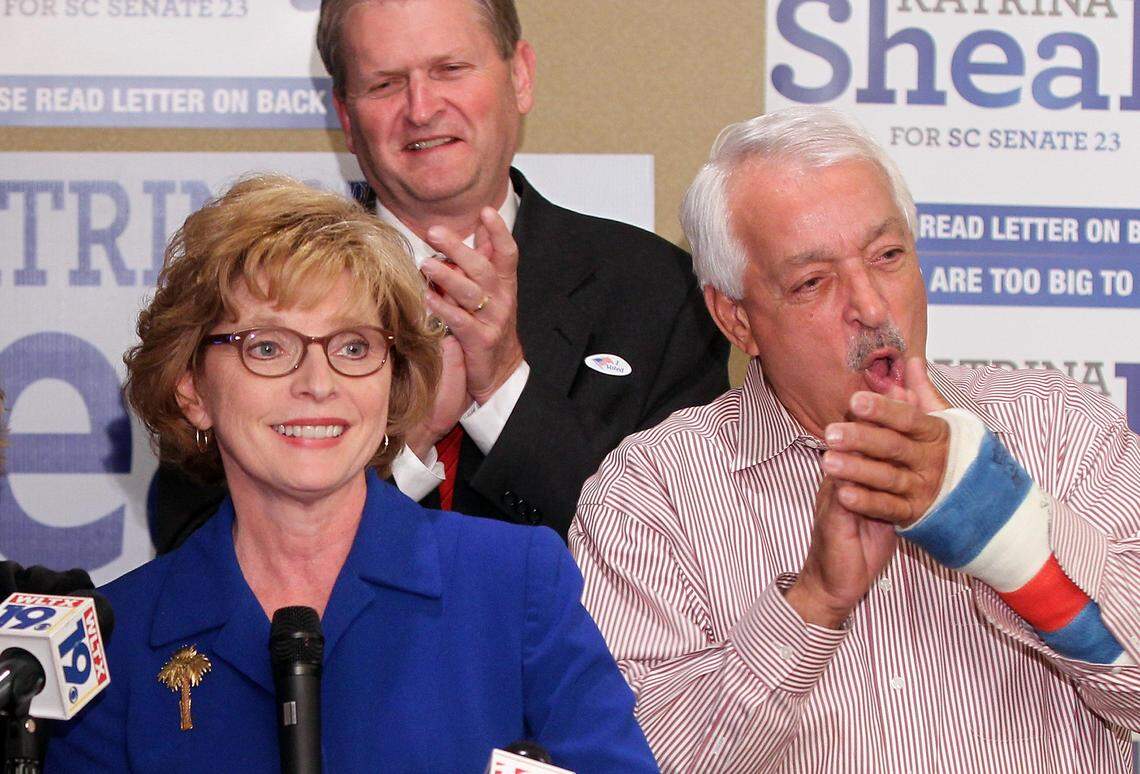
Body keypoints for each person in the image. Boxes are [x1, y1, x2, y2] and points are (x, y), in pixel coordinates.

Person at [569, 107, 1140, 772]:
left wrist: (1010, 540)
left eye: (888, 257)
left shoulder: (1061, 428)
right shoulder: (652, 493)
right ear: (736, 318)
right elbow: (636, 760)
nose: (871, 306)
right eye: (813, 281)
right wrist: (812, 603)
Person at [47, 176, 656, 772]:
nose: (317, 384)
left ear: (393, 382)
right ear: (191, 388)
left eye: (354, 347)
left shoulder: (514, 582)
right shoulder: (116, 635)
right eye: (267, 347)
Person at [146, 0, 729, 553]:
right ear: (346, 117)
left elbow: (684, 554)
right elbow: (193, 544)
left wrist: (503, 390)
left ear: (520, 76)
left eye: (449, 69)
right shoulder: (250, 288)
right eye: (385, 83)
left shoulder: (656, 290)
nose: (421, 107)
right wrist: (406, 439)